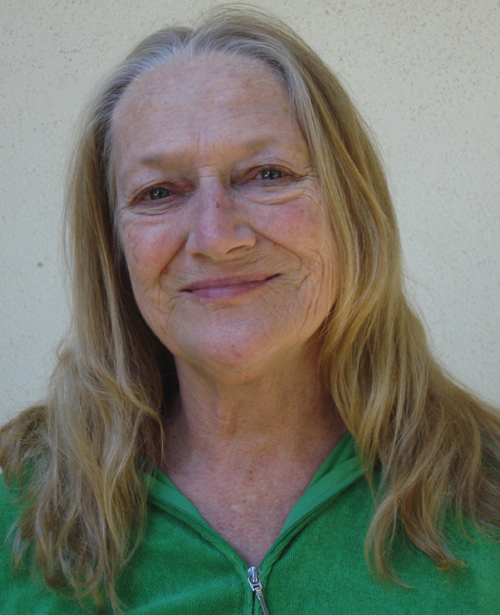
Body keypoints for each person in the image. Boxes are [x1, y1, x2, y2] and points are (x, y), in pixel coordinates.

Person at [1, 6, 499, 614]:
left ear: (351, 209)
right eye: (159, 192)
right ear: (115, 247)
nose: (216, 238)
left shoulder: (488, 489)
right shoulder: (16, 502)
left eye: (267, 174)